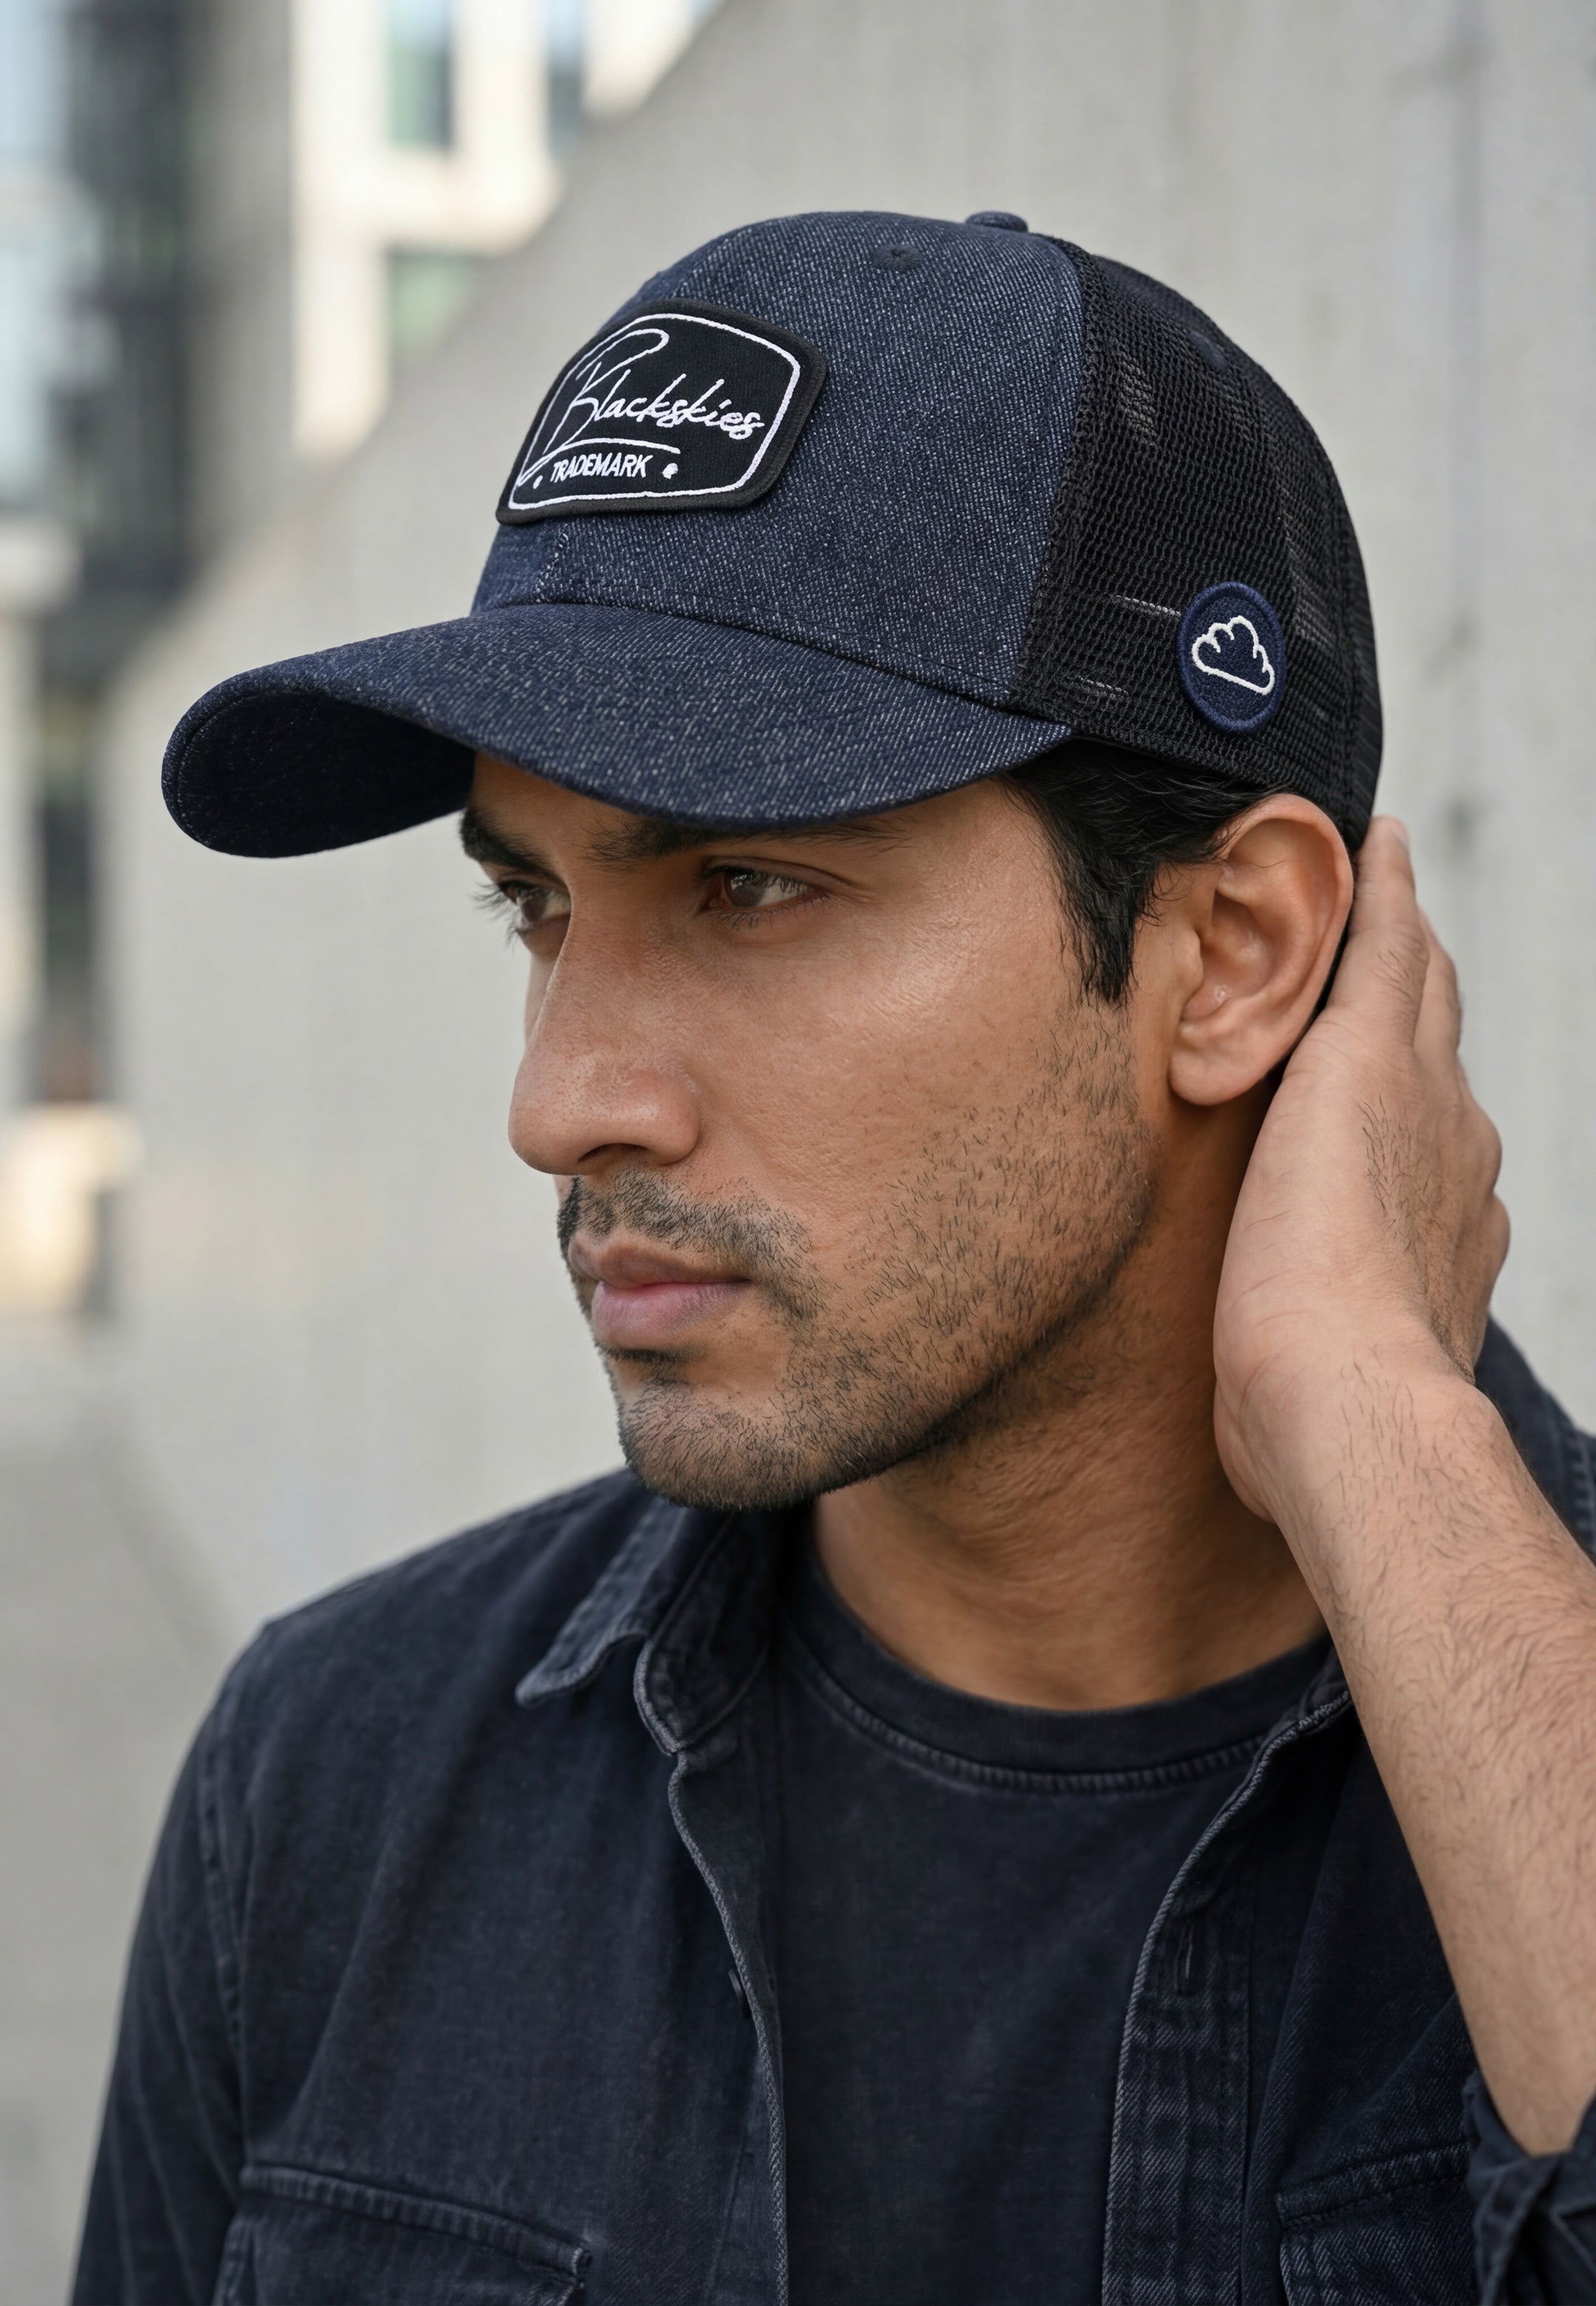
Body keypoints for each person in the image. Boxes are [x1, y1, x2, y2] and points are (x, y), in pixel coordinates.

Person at [75, 211, 1596, 2306]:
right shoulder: (331, 1783)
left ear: (1235, 951)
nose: (560, 1100)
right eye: (537, 907)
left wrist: (1374, 1413)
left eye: (752, 887)